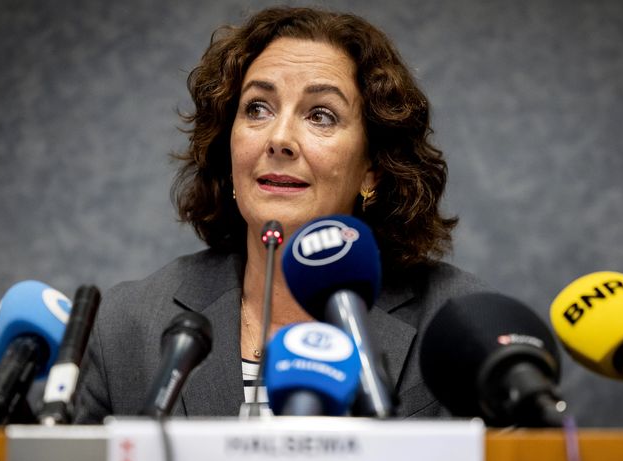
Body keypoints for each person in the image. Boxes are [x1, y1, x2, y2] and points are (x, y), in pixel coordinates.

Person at [74, 6, 487, 423]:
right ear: (229, 147)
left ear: (373, 168)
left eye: (320, 115)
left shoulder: (459, 321)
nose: (280, 139)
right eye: (258, 108)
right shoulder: (128, 325)